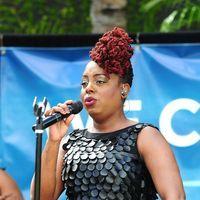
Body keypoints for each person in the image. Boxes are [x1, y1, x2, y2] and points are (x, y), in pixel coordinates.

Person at [30, 27, 185, 200]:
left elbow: (175, 196)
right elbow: (40, 198)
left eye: (100, 81)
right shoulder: (70, 142)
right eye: (84, 83)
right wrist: (54, 141)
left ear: (123, 89)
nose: (88, 88)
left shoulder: (145, 136)